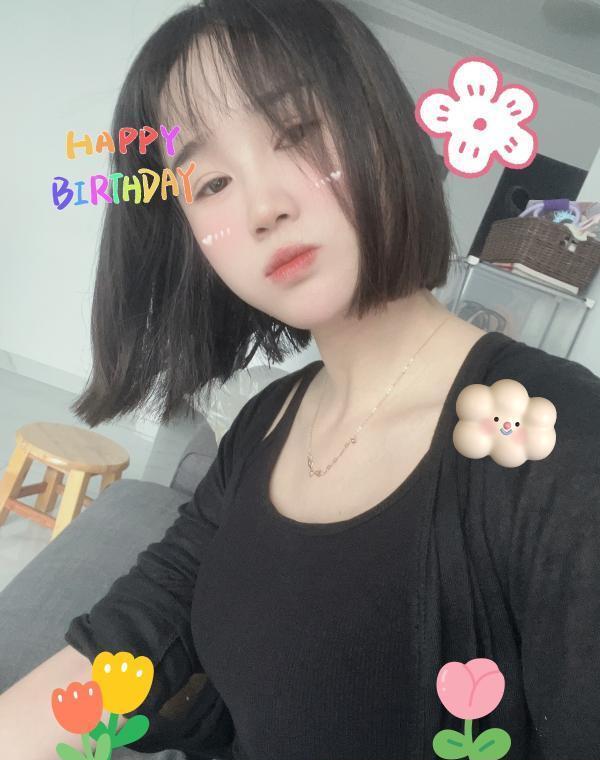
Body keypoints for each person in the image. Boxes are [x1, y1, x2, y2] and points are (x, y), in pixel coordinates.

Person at [1, 1, 600, 758]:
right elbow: (144, 625)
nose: (263, 208)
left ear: (380, 126)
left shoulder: (559, 438)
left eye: (296, 133)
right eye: (210, 183)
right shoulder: (270, 419)